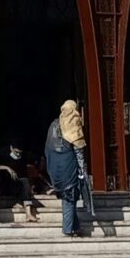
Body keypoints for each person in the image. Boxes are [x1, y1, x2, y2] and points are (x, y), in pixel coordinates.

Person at [44, 99, 98, 239]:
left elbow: (48, 149)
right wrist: (83, 171)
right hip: (69, 167)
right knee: (69, 196)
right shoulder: (73, 123)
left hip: (55, 167)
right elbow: (78, 150)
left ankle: (75, 226)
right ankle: (67, 229)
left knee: (68, 196)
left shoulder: (54, 124)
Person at [0, 144, 45, 223]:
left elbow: (37, 160)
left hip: (14, 185)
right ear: (11, 148)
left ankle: (28, 213)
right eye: (16, 152)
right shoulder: (2, 153)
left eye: (19, 153)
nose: (18, 154)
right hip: (1, 185)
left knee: (25, 181)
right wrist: (7, 168)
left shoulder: (24, 156)